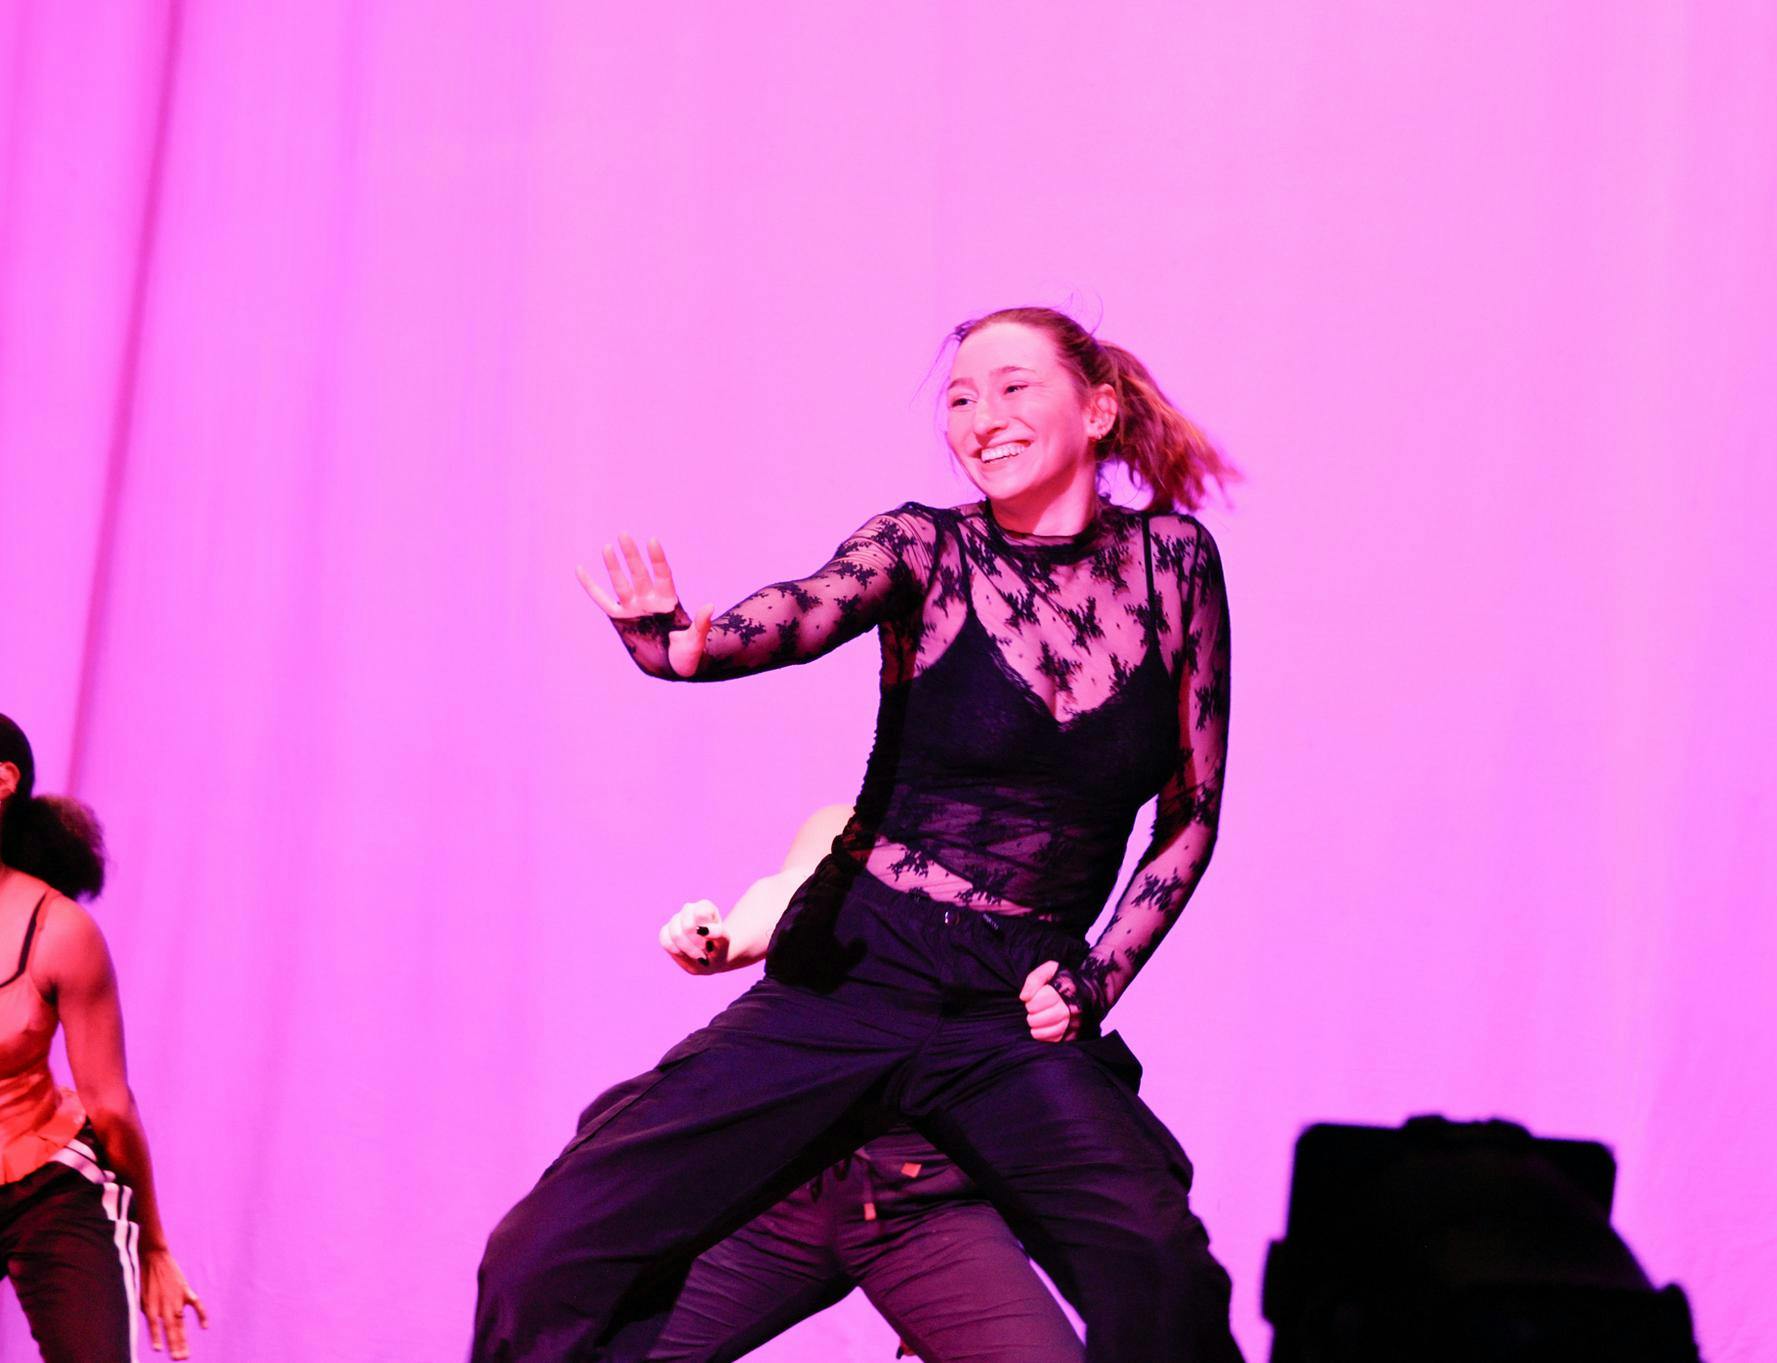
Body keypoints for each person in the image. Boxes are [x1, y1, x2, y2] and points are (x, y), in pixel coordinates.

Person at [475, 305, 1239, 1362]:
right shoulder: (921, 547)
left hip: (1007, 1014)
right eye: (961, 398)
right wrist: (683, 647)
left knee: (1162, 1277)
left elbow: (1188, 817)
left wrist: (1095, 979)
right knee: (549, 1252)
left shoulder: (1174, 566)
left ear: (1097, 407)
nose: (981, 416)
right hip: (855, 973)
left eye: (1013, 386)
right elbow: (799, 611)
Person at [648, 802, 1082, 1363]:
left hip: (926, 1201)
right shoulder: (851, 820)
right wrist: (723, 940)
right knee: (579, 1335)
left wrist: (1069, 1004)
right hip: (787, 1178)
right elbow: (788, 890)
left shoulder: (1041, 849)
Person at [0, 715, 207, 1361]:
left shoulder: (58, 930)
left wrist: (153, 1244)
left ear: (3, 781)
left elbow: (111, 1105)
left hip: (47, 1187)